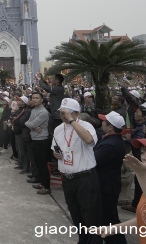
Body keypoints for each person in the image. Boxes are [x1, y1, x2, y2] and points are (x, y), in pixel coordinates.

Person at [51, 98, 101, 244]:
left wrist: (72, 122)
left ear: (77, 113)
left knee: (91, 217)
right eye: (61, 112)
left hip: (85, 178)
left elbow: (88, 140)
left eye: (66, 113)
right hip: (68, 178)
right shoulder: (58, 129)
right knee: (76, 216)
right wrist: (56, 154)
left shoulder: (86, 126)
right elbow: (55, 147)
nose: (63, 116)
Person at [94, 111, 127, 244]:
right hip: (107, 184)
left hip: (107, 186)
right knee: (106, 217)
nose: (101, 122)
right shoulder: (110, 139)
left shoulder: (111, 144)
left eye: (104, 121)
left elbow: (94, 161)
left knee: (110, 218)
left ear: (110, 127)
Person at [25, 91, 51, 194]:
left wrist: (31, 125)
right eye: (33, 98)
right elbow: (28, 122)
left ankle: (47, 186)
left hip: (42, 140)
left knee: (42, 164)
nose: (35, 100)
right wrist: (32, 125)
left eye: (37, 98)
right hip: (34, 138)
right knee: (38, 163)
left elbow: (32, 123)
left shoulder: (43, 112)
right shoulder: (34, 110)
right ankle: (42, 182)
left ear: (41, 100)